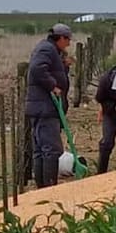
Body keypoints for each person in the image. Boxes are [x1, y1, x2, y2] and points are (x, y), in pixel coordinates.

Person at [25, 23, 73, 188]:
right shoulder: (47, 49)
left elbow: (48, 70)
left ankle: (42, 186)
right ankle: (48, 187)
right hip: (45, 107)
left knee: (41, 150)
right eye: (67, 39)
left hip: (41, 106)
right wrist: (53, 86)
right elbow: (37, 69)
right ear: (60, 38)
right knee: (52, 150)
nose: (69, 43)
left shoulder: (51, 50)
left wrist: (63, 67)